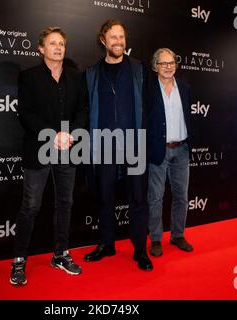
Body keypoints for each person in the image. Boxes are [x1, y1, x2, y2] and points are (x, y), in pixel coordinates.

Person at [10, 27, 88, 286]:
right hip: (39, 149)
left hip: (69, 148)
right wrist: (53, 135)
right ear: (41, 48)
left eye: (62, 44)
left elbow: (83, 110)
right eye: (52, 43)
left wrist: (71, 134)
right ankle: (19, 260)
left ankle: (60, 254)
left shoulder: (77, 78)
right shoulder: (29, 77)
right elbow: (26, 114)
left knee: (65, 203)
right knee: (31, 206)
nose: (58, 48)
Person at [83, 19, 153, 271]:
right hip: (102, 145)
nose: (118, 42)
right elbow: (85, 113)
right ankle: (107, 243)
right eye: (113, 37)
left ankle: (139, 250)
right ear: (103, 40)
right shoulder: (91, 74)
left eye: (121, 37)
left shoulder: (139, 69)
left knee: (138, 199)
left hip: (135, 144)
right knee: (104, 198)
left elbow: (150, 109)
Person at [146, 48, 193, 257]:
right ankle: (156, 238)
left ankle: (177, 235)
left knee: (181, 196)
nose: (168, 67)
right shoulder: (147, 89)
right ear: (155, 66)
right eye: (163, 63)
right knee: (155, 197)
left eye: (172, 62)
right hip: (158, 150)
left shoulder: (184, 87)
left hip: (181, 149)